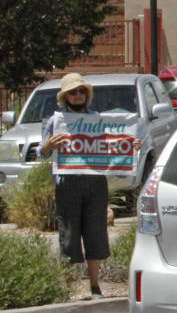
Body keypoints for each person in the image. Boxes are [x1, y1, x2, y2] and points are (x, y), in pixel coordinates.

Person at [39, 74, 136, 299]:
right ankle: (67, 288)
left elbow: (111, 145)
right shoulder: (56, 121)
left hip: (95, 183)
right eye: (73, 92)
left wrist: (130, 144)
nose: (78, 95)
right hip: (67, 183)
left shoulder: (97, 119)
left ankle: (95, 286)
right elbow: (42, 154)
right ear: (65, 97)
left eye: (81, 91)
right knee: (69, 234)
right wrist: (47, 146)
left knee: (95, 232)